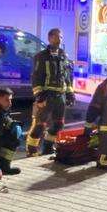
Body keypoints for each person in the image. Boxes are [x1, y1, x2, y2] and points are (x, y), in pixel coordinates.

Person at [26, 28, 74, 156]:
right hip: (47, 96)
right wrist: (39, 96)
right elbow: (36, 77)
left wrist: (70, 93)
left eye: (61, 37)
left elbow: (67, 76)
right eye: (57, 37)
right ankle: (31, 150)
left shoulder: (64, 56)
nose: (60, 40)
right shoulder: (41, 57)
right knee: (40, 125)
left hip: (61, 96)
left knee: (58, 124)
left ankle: (48, 147)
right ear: (50, 38)